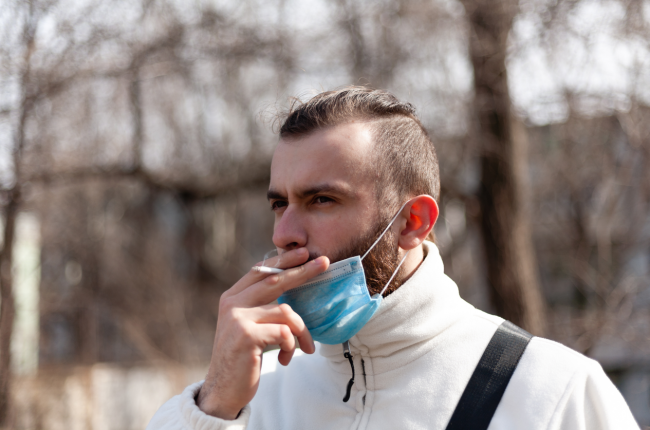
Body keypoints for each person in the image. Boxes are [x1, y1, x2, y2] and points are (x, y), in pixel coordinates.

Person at [147, 87, 638, 430]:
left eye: (321, 200)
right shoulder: (247, 401)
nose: (284, 233)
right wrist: (211, 410)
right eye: (280, 203)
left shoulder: (551, 393)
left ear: (413, 222)